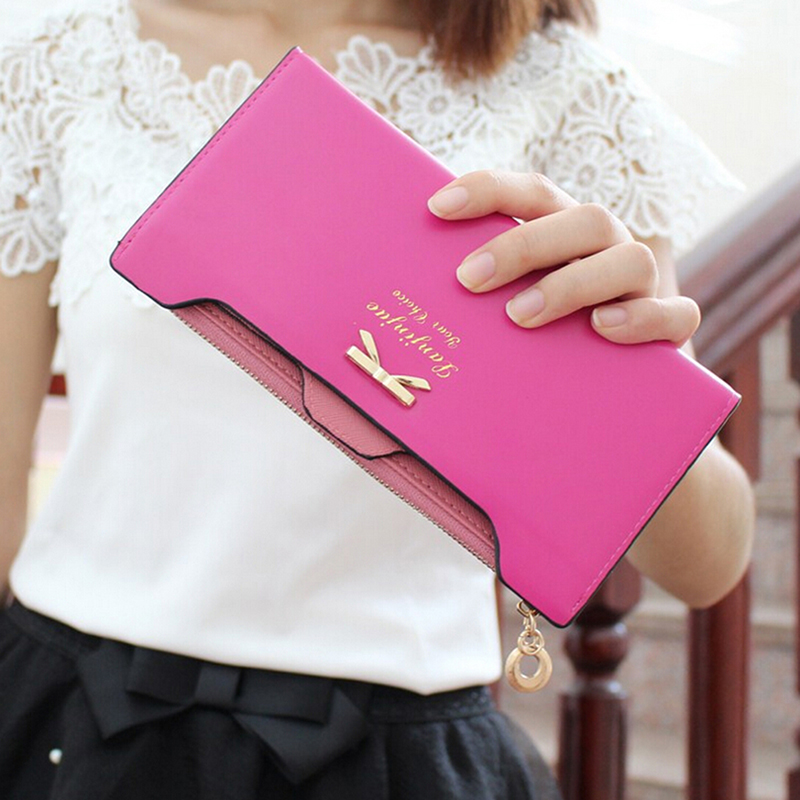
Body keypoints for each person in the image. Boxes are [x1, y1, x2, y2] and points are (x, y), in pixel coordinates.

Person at [0, 0, 755, 797]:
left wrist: (627, 387)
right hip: (70, 720)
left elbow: (711, 563)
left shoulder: (571, 92)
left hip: (401, 753)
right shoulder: (60, 62)